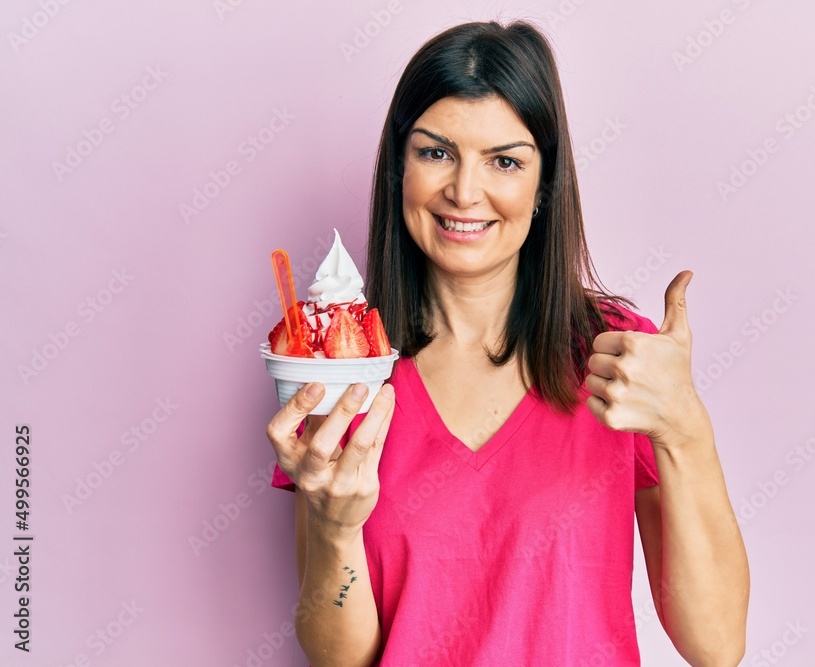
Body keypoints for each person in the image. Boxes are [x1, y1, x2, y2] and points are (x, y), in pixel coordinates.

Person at [266, 20, 749, 667]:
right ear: (397, 168)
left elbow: (717, 646)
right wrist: (333, 523)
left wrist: (685, 427)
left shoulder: (620, 359)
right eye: (436, 152)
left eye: (505, 160)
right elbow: (340, 657)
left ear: (545, 184)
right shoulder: (341, 366)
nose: (465, 191)